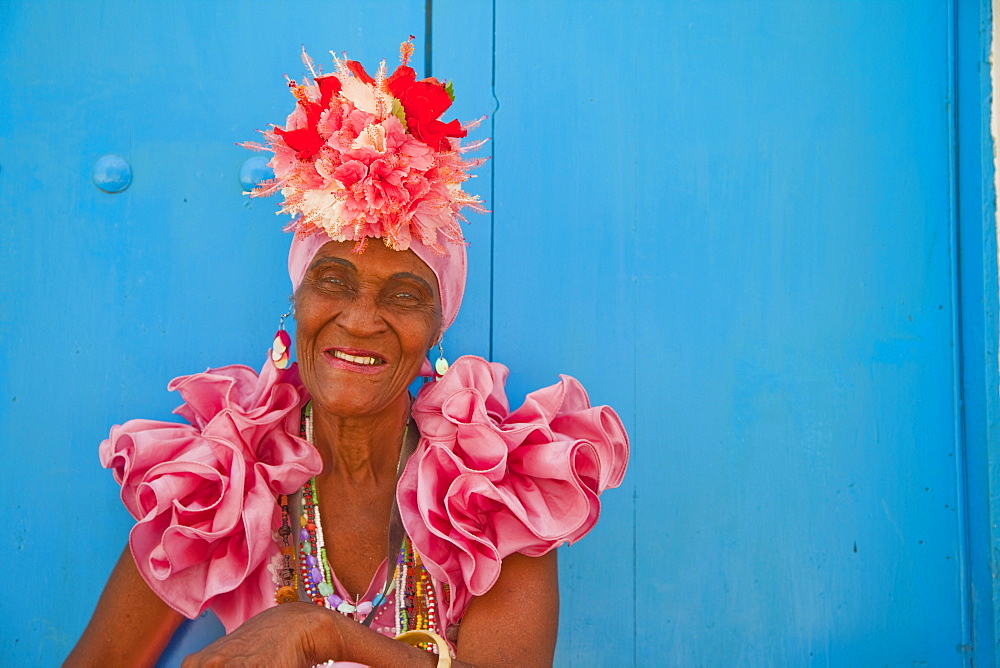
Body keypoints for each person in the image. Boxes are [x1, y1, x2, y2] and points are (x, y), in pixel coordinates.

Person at [67, 38, 629, 667]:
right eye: (332, 282)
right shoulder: (216, 485)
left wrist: (322, 633)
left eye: (405, 294)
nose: (361, 320)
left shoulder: (494, 493)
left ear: (434, 333)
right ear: (298, 304)